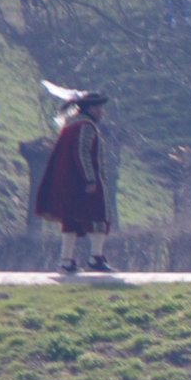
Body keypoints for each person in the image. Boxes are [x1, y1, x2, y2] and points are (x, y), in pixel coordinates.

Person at [33, 92, 115, 274]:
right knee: (100, 216)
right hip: (83, 181)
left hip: (69, 181)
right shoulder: (86, 126)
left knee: (71, 221)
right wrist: (90, 178)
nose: (102, 112)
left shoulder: (71, 125)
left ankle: (66, 261)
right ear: (91, 109)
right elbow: (82, 153)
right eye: (99, 108)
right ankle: (95, 257)